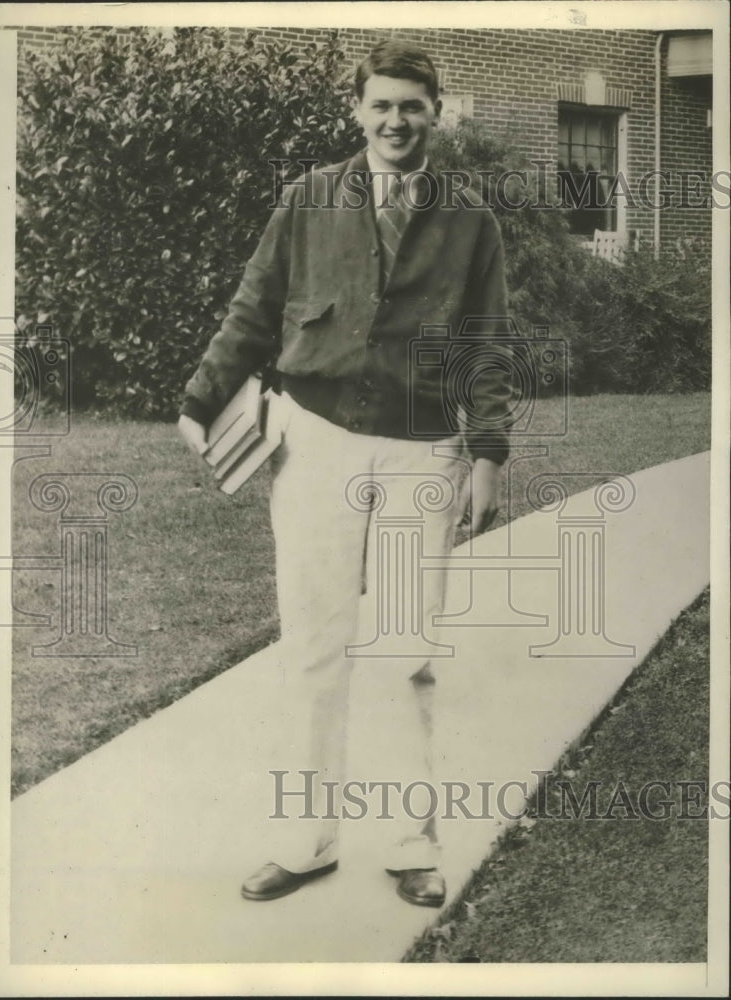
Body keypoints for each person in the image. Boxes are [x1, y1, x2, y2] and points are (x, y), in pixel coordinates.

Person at [179, 40, 513, 908]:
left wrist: (488, 453)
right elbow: (254, 306)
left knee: (404, 653)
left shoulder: (471, 219)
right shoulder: (307, 199)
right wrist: (200, 397)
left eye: (412, 105)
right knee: (314, 646)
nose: (395, 121)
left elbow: (486, 348)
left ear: (435, 112)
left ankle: (411, 842)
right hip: (316, 439)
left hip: (421, 448)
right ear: (357, 111)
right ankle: (306, 839)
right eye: (381, 105)